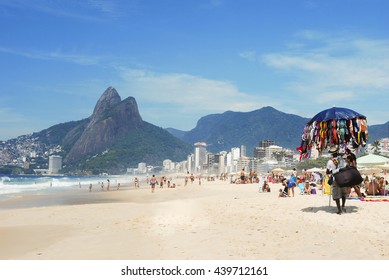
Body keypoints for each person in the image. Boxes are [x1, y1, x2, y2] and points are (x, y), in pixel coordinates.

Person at [326, 146, 348, 215]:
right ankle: (343, 206)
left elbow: (327, 171)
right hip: (343, 177)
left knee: (336, 194)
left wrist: (331, 172)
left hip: (335, 178)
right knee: (344, 193)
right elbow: (345, 167)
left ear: (331, 154)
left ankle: (339, 210)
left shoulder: (330, 161)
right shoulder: (342, 159)